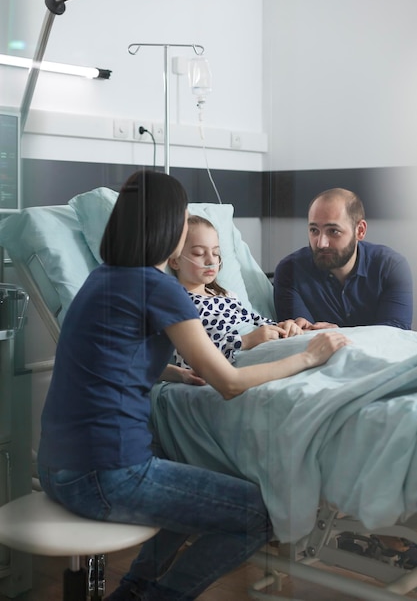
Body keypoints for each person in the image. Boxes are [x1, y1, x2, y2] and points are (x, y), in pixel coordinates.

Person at [37, 170, 350, 601]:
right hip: (105, 474)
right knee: (257, 514)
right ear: (169, 228)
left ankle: (133, 592)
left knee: (185, 483)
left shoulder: (102, 278)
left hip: (56, 467)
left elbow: (102, 360)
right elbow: (230, 383)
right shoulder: (160, 289)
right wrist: (309, 356)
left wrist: (172, 373)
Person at [169, 214, 303, 367]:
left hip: (265, 343)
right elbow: (189, 360)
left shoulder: (226, 296)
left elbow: (253, 319)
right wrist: (245, 341)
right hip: (238, 358)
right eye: (199, 253)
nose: (211, 260)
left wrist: (284, 327)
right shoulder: (178, 305)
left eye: (216, 253)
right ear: (174, 261)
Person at [274, 187, 413, 330]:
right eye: (314, 230)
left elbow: (395, 336)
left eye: (334, 231)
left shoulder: (391, 267)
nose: (321, 243)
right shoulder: (290, 271)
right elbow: (298, 338)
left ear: (360, 230)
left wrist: (342, 335)